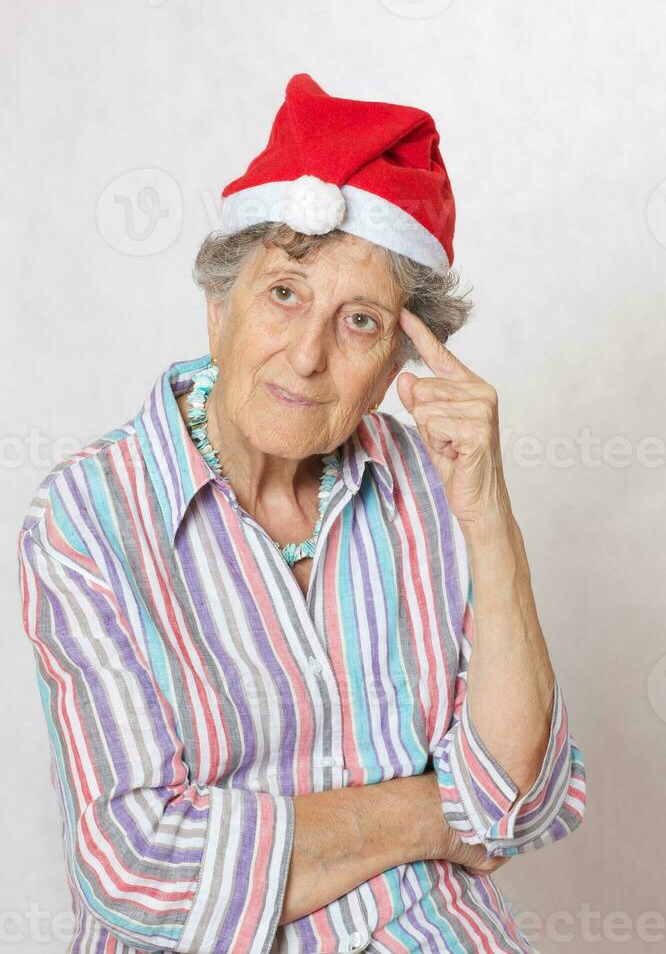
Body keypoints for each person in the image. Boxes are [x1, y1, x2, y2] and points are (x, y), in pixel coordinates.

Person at [17, 73, 586, 954]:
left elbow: (519, 800)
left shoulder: (428, 484)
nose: (308, 355)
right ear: (220, 306)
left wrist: (487, 515)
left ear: (400, 355)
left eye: (359, 321)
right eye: (284, 293)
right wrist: (434, 812)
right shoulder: (87, 518)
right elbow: (137, 870)